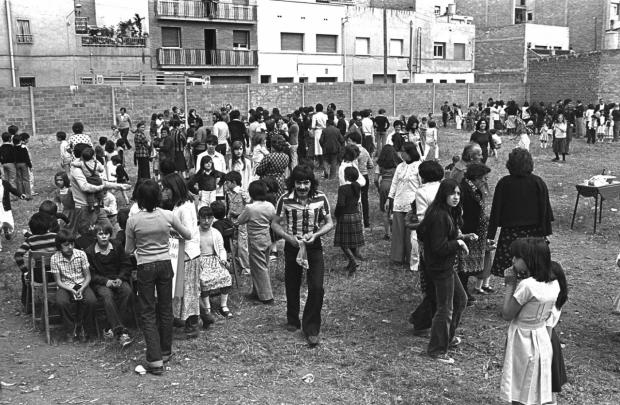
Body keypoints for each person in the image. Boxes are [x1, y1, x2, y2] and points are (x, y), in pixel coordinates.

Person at [125, 179, 192, 375]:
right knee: (165, 308)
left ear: (139, 199)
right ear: (157, 196)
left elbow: (129, 249)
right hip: (165, 264)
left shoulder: (133, 220)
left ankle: (154, 359)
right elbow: (187, 234)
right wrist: (168, 231)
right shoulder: (168, 215)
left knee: (147, 311)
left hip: (145, 266)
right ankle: (165, 351)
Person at [271, 165, 333, 347]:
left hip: (313, 246)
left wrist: (316, 234)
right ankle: (292, 319)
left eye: (306, 183)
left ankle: (311, 328)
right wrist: (288, 238)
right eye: (299, 183)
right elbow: (275, 223)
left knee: (317, 287)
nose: (303, 187)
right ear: (293, 183)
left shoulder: (321, 198)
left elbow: (329, 222)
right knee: (292, 283)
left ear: (311, 183)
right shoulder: (285, 199)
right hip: (293, 246)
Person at [500, 238, 566, 405]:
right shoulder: (554, 283)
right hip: (542, 336)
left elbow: (507, 314)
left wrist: (510, 284)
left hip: (522, 338)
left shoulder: (527, 286)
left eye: (517, 257)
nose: (513, 260)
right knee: (538, 381)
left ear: (529, 259)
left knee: (518, 382)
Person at [416, 179, 470, 364]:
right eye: (452, 193)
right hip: (440, 267)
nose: (456, 197)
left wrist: (461, 237)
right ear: (444, 194)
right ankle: (437, 349)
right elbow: (439, 247)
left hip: (444, 266)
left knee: (460, 300)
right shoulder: (439, 215)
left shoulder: (444, 212)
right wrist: (458, 243)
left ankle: (447, 338)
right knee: (445, 308)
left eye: (458, 194)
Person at [488, 148, 553, 279]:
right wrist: (545, 233)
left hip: (511, 235)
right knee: (532, 268)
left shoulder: (504, 183)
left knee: (512, 269)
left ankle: (513, 294)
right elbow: (545, 211)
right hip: (534, 234)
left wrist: (490, 235)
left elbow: (495, 211)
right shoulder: (538, 182)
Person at [161, 173, 202, 337]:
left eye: (167, 189)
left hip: (188, 253)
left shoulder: (184, 208)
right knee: (182, 289)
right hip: (183, 252)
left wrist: (169, 229)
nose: (165, 192)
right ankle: (183, 317)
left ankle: (192, 323)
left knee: (189, 290)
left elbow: (189, 233)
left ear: (174, 189)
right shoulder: (182, 204)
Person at [85, 221, 134, 347]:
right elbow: (91, 274)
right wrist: (106, 282)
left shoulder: (117, 246)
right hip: (101, 282)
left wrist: (120, 278)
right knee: (107, 296)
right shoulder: (90, 252)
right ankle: (120, 332)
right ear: (96, 236)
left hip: (117, 279)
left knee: (127, 291)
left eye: (106, 234)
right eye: (100, 234)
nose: (104, 237)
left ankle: (110, 327)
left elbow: (126, 265)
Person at [51, 229, 98, 343]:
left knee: (91, 301)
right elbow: (58, 281)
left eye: (72, 244)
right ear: (59, 246)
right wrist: (71, 290)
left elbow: (88, 277)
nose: (70, 247)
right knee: (61, 302)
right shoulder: (55, 258)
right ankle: (70, 329)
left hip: (82, 284)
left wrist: (81, 289)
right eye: (66, 245)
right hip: (65, 286)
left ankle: (85, 327)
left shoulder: (81, 254)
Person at [457, 162, 492, 306]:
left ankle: (463, 291)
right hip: (467, 232)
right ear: (476, 178)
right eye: (483, 178)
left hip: (474, 231)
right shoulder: (464, 190)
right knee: (463, 264)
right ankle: (461, 292)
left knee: (467, 265)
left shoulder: (474, 189)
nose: (485, 181)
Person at [238, 180, 276, 304]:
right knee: (261, 265)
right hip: (267, 237)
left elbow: (240, 220)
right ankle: (257, 292)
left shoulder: (250, 208)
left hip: (255, 240)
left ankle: (267, 296)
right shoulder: (270, 206)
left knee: (259, 268)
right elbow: (273, 219)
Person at [197, 205, 234, 325]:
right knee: (204, 279)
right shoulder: (195, 232)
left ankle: (223, 305)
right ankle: (207, 307)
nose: (206, 221)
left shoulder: (216, 232)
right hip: (201, 261)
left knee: (226, 276)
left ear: (213, 218)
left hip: (214, 260)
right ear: (199, 218)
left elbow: (221, 249)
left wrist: (223, 259)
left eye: (209, 218)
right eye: (203, 218)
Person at [387, 142, 421, 267]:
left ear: (410, 152)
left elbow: (422, 185)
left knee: (410, 233)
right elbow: (394, 183)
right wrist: (389, 198)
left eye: (404, 151)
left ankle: (410, 258)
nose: (401, 154)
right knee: (397, 231)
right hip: (398, 202)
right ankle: (398, 257)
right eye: (400, 151)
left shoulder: (419, 166)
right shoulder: (400, 166)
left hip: (412, 204)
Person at [334, 166, 365, 276]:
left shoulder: (343, 189)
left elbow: (341, 204)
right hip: (355, 215)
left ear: (345, 176)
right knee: (352, 241)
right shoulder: (357, 187)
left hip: (345, 216)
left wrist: (336, 214)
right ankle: (351, 261)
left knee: (343, 243)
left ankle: (353, 261)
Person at [223, 171, 251, 274]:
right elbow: (228, 206)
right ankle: (236, 266)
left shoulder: (242, 192)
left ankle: (246, 268)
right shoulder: (228, 193)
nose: (226, 184)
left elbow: (248, 202)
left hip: (242, 222)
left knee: (242, 244)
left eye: (228, 182)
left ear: (234, 182)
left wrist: (245, 195)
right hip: (232, 221)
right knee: (233, 244)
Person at [347, 131, 373, 228]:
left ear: (353, 141)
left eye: (349, 141)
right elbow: (371, 165)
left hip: (356, 177)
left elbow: (353, 166)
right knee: (364, 199)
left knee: (355, 199)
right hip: (365, 176)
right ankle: (366, 221)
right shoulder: (365, 150)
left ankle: (356, 220)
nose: (347, 143)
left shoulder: (353, 151)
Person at [375, 145, 401, 240]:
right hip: (396, 186)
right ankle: (396, 232)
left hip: (384, 185)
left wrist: (379, 187)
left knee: (384, 210)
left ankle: (387, 234)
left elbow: (375, 179)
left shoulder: (380, 164)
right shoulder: (398, 163)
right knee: (395, 209)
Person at [255, 135, 290, 200]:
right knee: (278, 200)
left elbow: (259, 171)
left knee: (268, 200)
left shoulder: (269, 157)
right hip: (280, 180)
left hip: (267, 182)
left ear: (272, 146)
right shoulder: (286, 157)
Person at [319, 113, 345, 180]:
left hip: (326, 148)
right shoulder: (337, 130)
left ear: (327, 124)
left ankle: (326, 172)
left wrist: (323, 146)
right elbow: (342, 140)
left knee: (325, 160)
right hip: (335, 148)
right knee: (334, 162)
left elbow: (321, 140)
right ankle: (332, 176)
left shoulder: (324, 130)